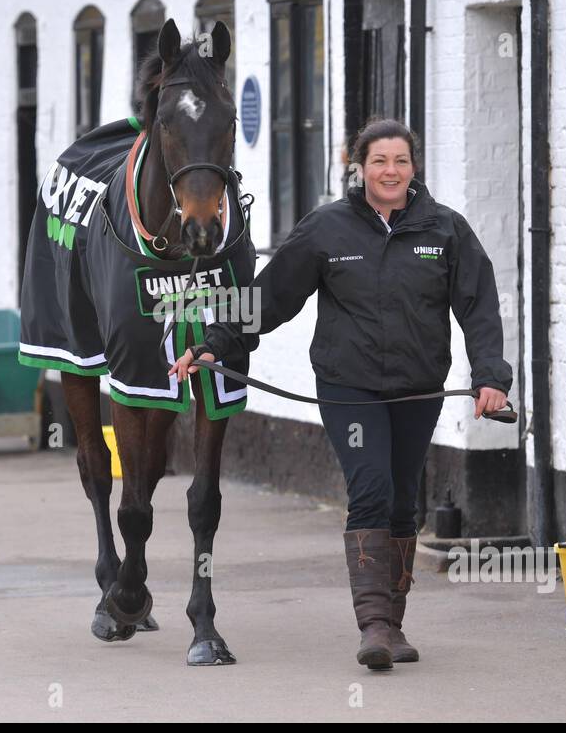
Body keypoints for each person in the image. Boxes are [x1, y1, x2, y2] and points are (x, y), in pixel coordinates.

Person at [170, 118, 512, 670]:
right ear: (360, 166)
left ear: (414, 167)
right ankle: (373, 624)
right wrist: (216, 342)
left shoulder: (444, 230)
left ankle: (394, 625)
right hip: (348, 388)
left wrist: (491, 375)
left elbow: (478, 304)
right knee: (372, 489)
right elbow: (271, 296)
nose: (391, 171)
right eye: (379, 161)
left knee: (405, 499)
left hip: (418, 389)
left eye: (401, 161)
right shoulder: (327, 229)